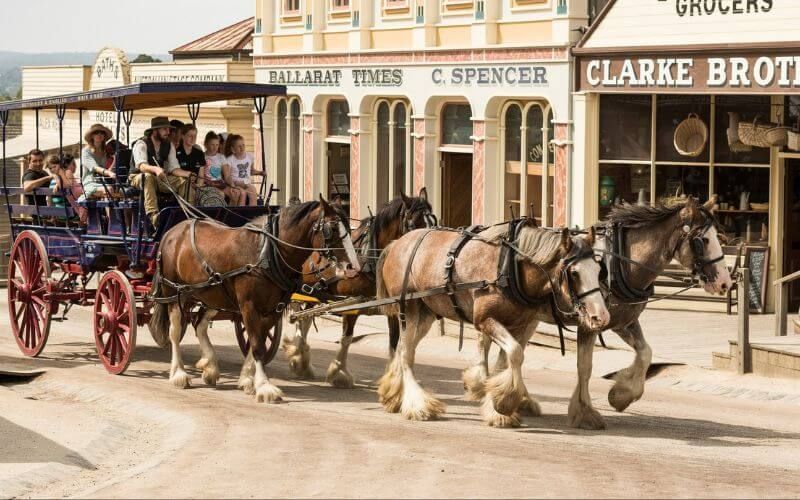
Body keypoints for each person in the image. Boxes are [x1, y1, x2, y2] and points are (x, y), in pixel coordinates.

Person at [129, 116, 194, 228]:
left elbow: (174, 168)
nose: (168, 132)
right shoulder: (141, 143)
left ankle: (187, 213)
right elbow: (141, 166)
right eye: (164, 129)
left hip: (159, 178)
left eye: (168, 129)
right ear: (155, 131)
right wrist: (156, 169)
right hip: (138, 177)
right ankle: (154, 217)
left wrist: (187, 174)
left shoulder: (169, 145)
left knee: (184, 181)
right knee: (147, 177)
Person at [178, 124, 226, 207]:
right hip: (181, 185)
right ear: (183, 136)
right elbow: (174, 171)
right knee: (191, 192)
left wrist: (198, 186)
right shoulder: (176, 152)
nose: (193, 139)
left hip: (198, 186)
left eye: (195, 136)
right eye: (190, 136)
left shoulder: (199, 153)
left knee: (218, 195)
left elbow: (201, 175)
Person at [223, 134, 263, 206]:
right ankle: (242, 211)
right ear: (233, 149)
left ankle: (252, 212)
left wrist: (260, 172)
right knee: (243, 194)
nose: (242, 148)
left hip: (246, 182)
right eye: (239, 146)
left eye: (243, 145)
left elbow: (251, 171)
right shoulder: (230, 159)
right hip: (236, 182)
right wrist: (233, 185)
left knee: (253, 191)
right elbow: (228, 176)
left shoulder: (249, 156)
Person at [49, 154, 88, 224]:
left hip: (76, 199)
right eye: (51, 168)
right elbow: (68, 185)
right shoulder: (63, 174)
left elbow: (65, 184)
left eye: (54, 167)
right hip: (74, 201)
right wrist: (57, 179)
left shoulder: (64, 174)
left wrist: (57, 183)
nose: (53, 169)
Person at [203, 131, 240, 204]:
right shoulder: (202, 156)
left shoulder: (221, 157)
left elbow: (227, 176)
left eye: (217, 145)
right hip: (208, 184)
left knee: (235, 193)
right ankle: (222, 214)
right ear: (206, 144)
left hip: (219, 183)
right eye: (212, 145)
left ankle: (230, 213)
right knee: (221, 194)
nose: (215, 147)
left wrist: (232, 186)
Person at [81, 123, 115, 199]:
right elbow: (95, 168)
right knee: (108, 189)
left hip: (104, 181)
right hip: (91, 182)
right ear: (92, 136)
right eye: (96, 133)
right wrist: (109, 173)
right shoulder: (86, 151)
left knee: (125, 192)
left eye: (102, 133)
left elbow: (109, 170)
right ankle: (112, 211)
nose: (99, 135)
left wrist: (115, 160)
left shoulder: (106, 151)